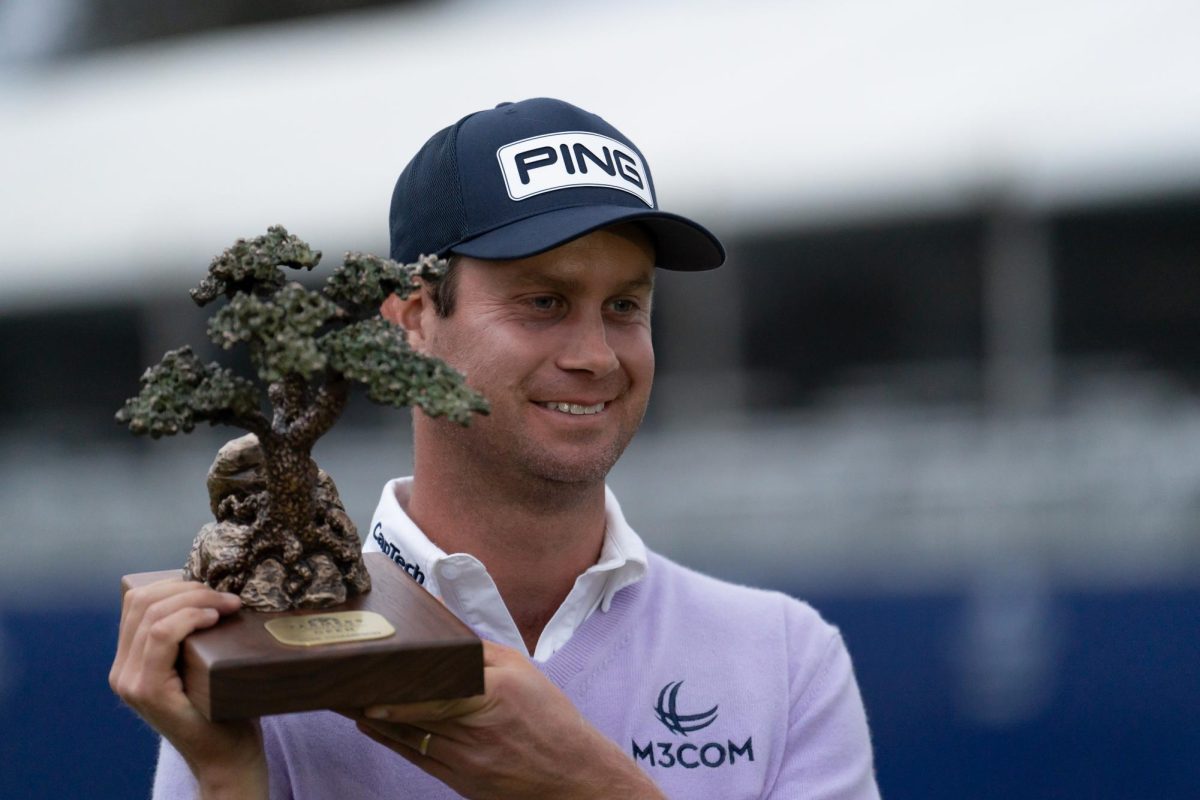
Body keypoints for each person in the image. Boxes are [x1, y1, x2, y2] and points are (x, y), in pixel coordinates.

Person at [111, 97, 880, 799]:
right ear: (412, 317)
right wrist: (225, 776)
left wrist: (590, 788)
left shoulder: (784, 657)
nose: (597, 355)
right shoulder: (262, 652)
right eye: (542, 302)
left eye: (625, 305)